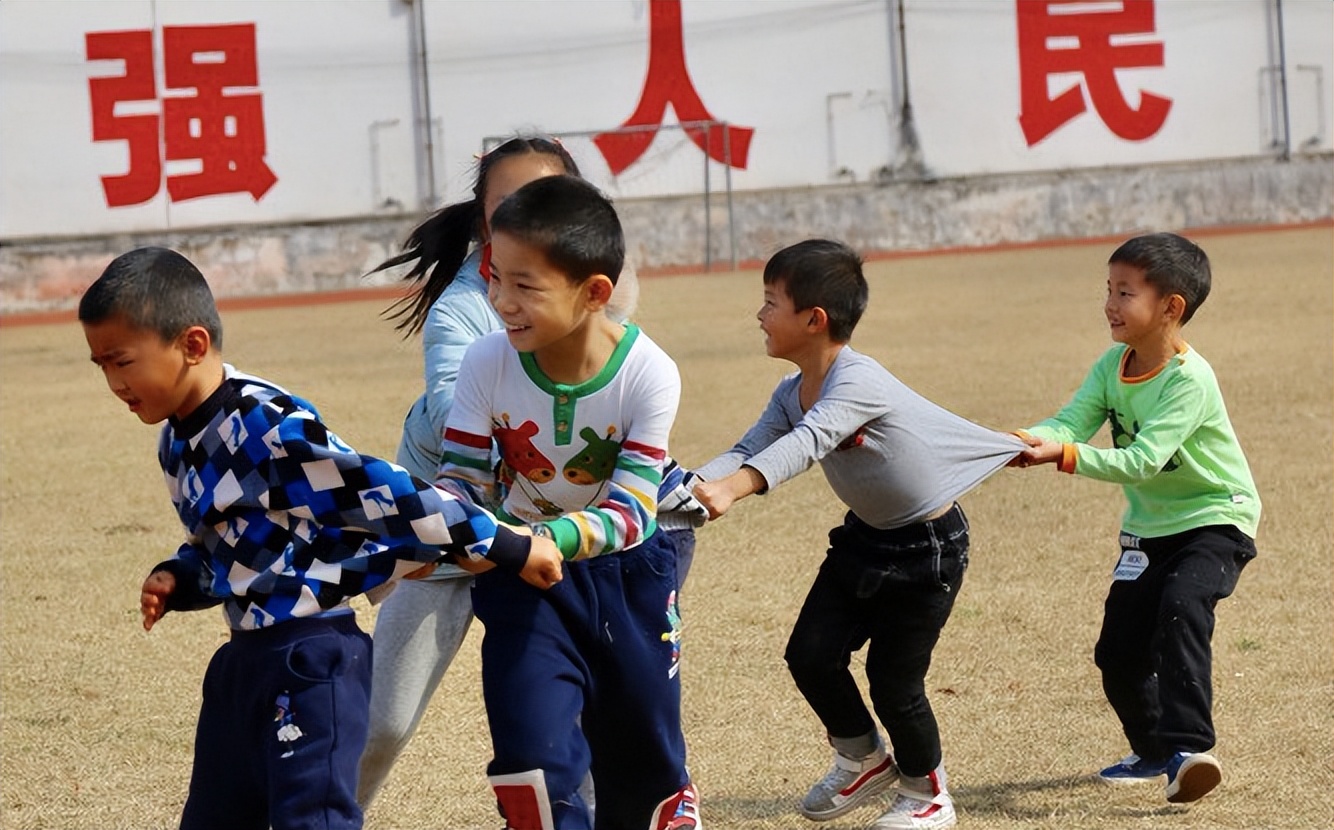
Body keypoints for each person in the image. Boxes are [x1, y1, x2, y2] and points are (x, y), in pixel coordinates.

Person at [78, 246, 562, 830]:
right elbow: (235, 546)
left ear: (192, 345)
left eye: (121, 360)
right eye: (99, 364)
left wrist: (504, 544)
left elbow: (382, 493)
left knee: (312, 819)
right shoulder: (177, 441)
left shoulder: (266, 425)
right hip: (244, 665)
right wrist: (183, 576)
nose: (111, 382)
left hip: (312, 661)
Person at [357, 136, 705, 808]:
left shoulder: (622, 328)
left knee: (621, 747)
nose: (503, 296)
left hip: (589, 553)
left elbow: (624, 474)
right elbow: (459, 444)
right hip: (480, 536)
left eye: (541, 200)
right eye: (506, 210)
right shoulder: (477, 324)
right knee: (391, 721)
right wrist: (426, 527)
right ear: (485, 224)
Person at [690, 239, 1024, 830]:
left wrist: (735, 489)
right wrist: (689, 483)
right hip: (865, 541)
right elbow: (751, 447)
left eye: (770, 303)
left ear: (814, 320)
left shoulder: (857, 381)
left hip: (929, 549)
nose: (759, 315)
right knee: (809, 655)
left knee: (895, 682)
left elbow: (807, 443)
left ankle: (928, 795)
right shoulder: (791, 391)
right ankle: (862, 758)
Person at [437, 175, 699, 830]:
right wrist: (439, 523)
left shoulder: (649, 372)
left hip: (628, 582)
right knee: (530, 769)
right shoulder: (483, 363)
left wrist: (558, 538)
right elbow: (462, 478)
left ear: (594, 293)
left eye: (525, 286)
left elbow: (636, 510)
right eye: (496, 278)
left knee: (642, 778)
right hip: (525, 580)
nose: (500, 300)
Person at [1012, 232, 1260, 804]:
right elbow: (1071, 422)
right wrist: (1032, 437)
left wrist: (1065, 456)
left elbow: (1143, 460)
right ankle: (1151, 750)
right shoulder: (1110, 365)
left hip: (1216, 517)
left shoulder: (1188, 380)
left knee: (1181, 606)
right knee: (1118, 651)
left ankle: (1189, 750)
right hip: (1151, 527)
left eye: (1125, 293)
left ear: (1171, 308)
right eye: (1108, 289)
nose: (1109, 304)